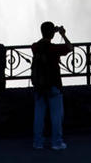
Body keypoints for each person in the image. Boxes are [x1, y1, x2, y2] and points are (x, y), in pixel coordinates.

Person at [31, 21, 72, 151]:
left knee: (39, 115)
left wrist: (49, 32)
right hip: (53, 85)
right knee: (56, 116)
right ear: (52, 33)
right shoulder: (53, 49)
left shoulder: (35, 47)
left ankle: (38, 142)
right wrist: (62, 34)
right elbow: (69, 47)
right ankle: (57, 142)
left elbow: (42, 41)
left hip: (39, 86)